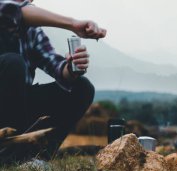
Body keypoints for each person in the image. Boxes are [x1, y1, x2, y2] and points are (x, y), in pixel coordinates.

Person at [0, 0, 107, 161]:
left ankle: (37, 158)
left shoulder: (32, 32)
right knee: (13, 63)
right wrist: (73, 24)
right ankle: (9, 156)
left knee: (82, 87)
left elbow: (56, 66)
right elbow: (12, 10)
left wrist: (72, 67)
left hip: (18, 109)